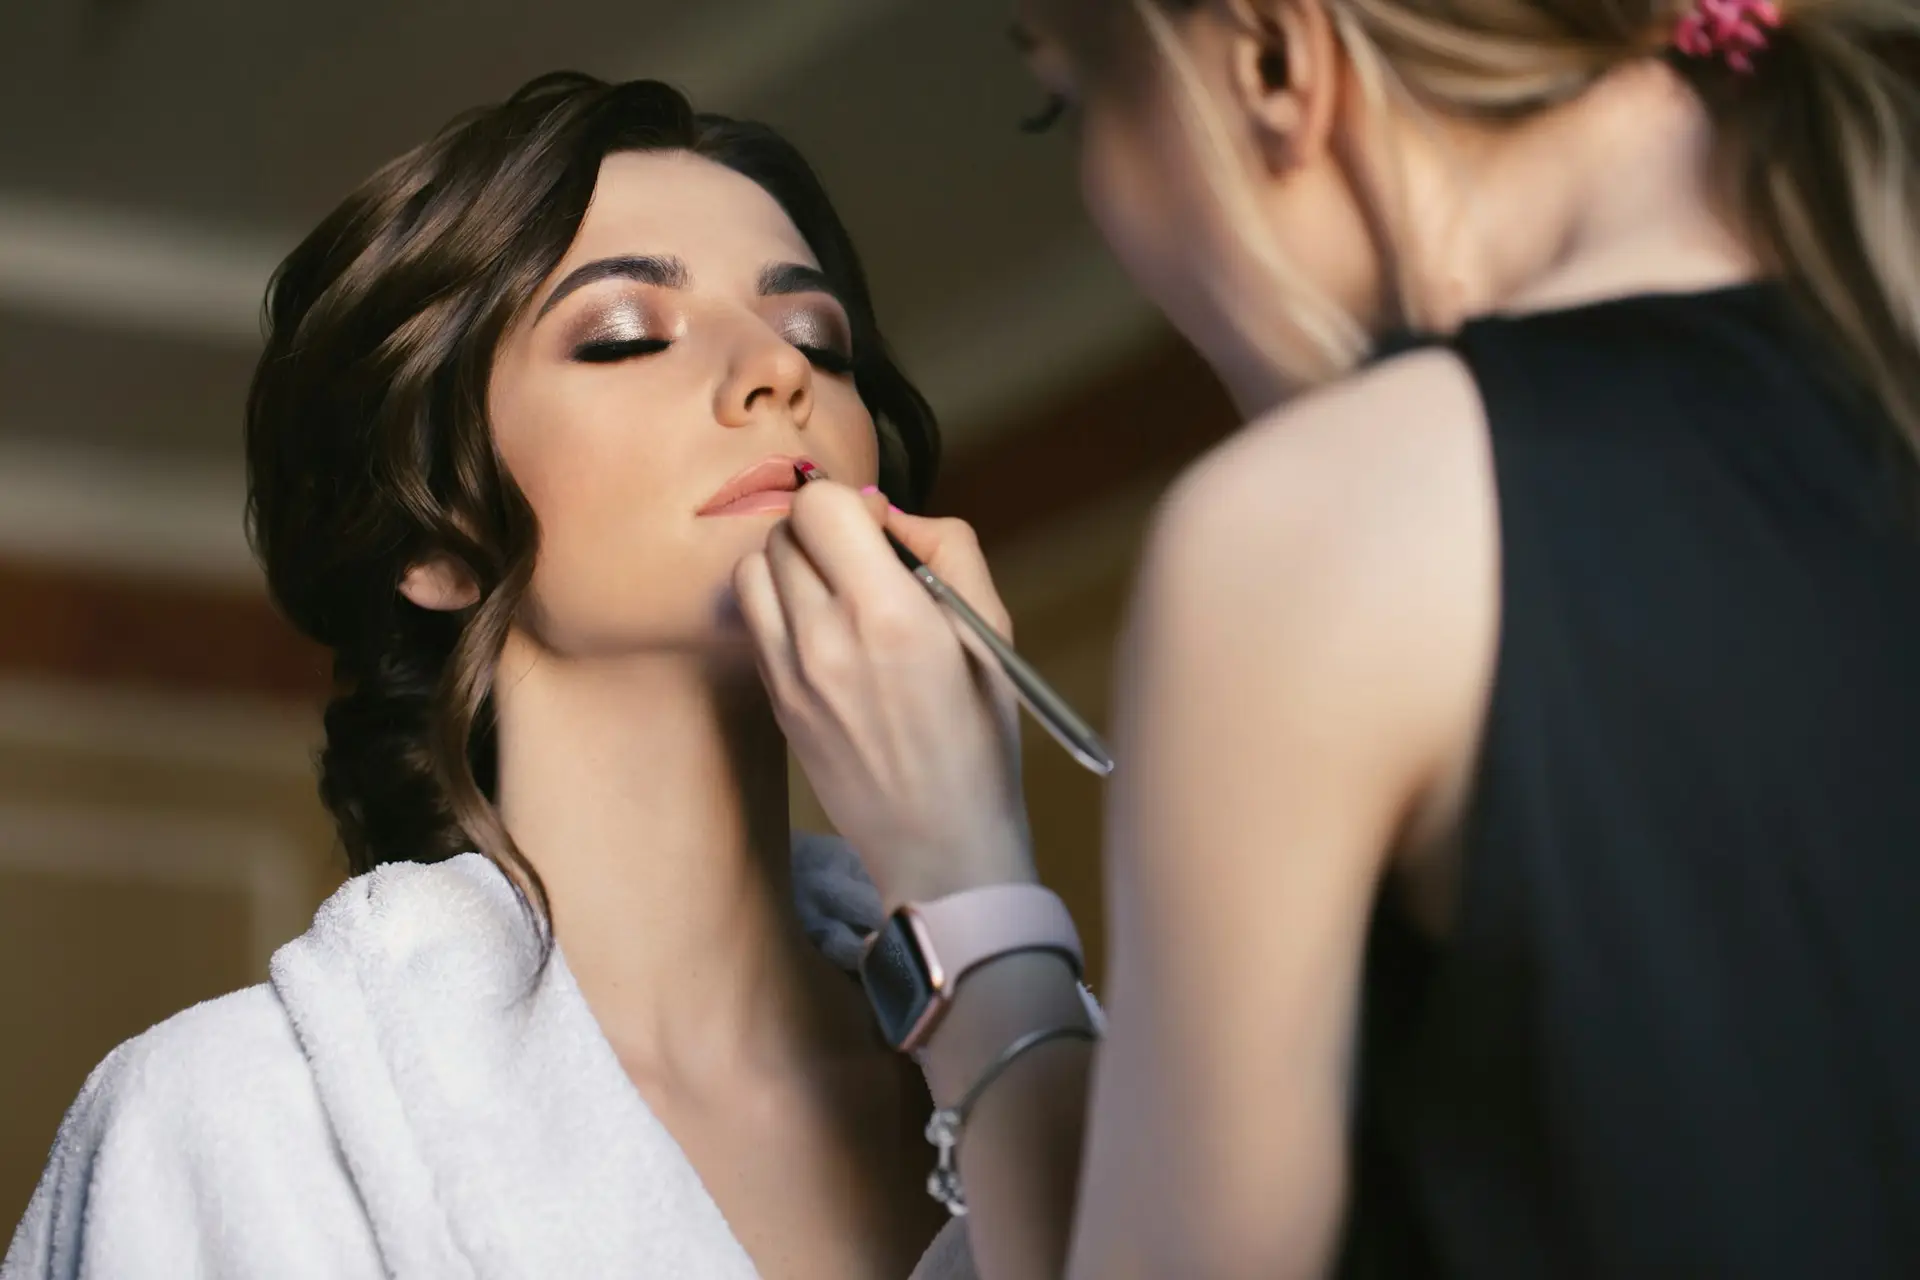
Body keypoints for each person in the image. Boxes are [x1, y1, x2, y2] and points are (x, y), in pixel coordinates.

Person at [737, 0, 1920, 1276]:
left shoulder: (1334, 521)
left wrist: (955, 860)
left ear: (1271, 58)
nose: (774, 377)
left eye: (1067, 105)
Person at [4, 72, 975, 1280]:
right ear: (437, 537)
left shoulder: (1050, 1075)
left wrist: (979, 892)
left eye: (817, 339)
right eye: (625, 335)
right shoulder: (227, 1119)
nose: (777, 371)